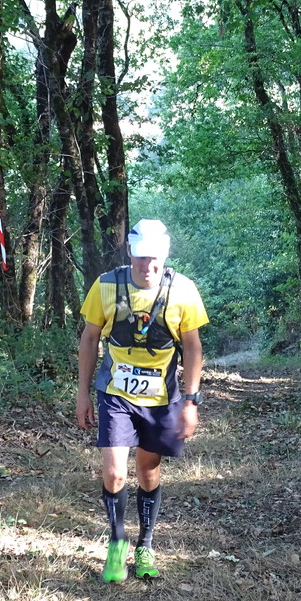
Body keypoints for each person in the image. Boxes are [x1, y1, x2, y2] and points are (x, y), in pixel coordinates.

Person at [76, 219, 209, 582]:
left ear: (164, 256)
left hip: (161, 398)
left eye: (154, 258)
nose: (148, 266)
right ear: (129, 253)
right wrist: (83, 393)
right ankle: (117, 542)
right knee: (115, 472)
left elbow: (193, 347)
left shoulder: (183, 290)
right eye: (140, 257)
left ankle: (145, 544)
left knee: (148, 471)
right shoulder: (106, 286)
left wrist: (191, 402)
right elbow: (89, 339)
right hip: (115, 394)